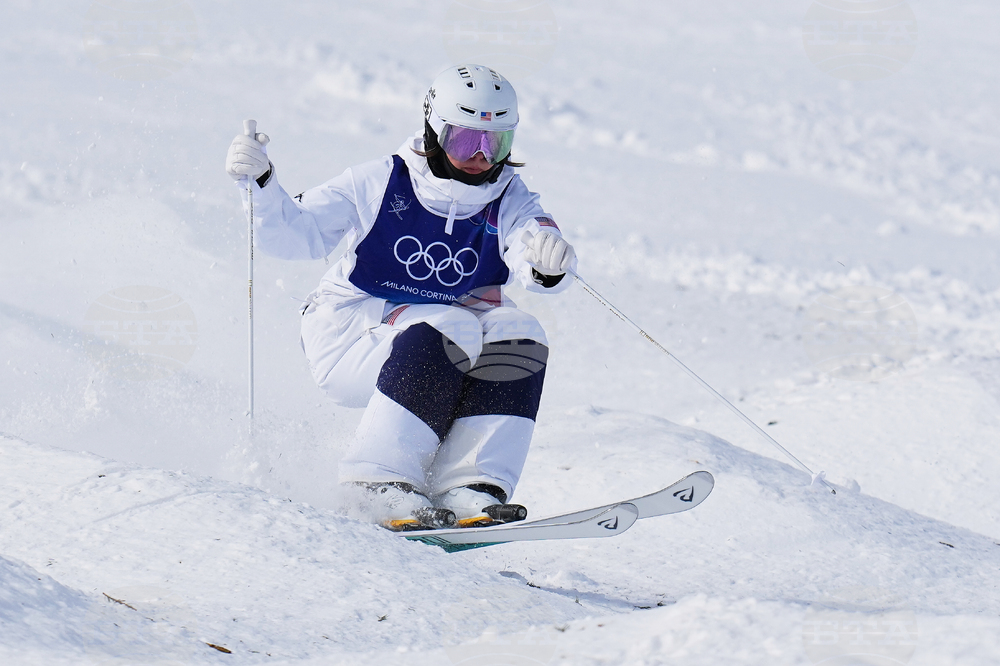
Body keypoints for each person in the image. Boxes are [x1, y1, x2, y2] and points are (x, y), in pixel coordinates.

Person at [225, 64, 577, 531]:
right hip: (348, 335)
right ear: (434, 132)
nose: (479, 157)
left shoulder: (510, 200)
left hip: (437, 342)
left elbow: (532, 249)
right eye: (464, 141)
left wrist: (549, 264)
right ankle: (375, 485)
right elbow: (297, 235)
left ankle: (471, 484)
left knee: (519, 331)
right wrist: (263, 187)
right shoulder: (378, 182)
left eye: (495, 143)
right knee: (451, 324)